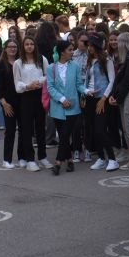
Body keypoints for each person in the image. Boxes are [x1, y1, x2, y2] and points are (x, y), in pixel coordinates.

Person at [46, 38, 83, 175]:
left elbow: (79, 84)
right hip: (57, 107)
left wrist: (86, 91)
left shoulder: (75, 66)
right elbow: (50, 87)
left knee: (65, 134)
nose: (73, 52)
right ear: (62, 52)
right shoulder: (51, 68)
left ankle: (58, 163)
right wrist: (61, 99)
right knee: (63, 136)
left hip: (73, 106)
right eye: (70, 50)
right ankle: (70, 160)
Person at [13, 36, 49, 171]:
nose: (29, 46)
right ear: (23, 46)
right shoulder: (18, 63)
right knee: (27, 129)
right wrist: (28, 86)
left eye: (31, 44)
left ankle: (43, 156)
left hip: (39, 95)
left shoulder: (42, 59)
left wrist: (38, 82)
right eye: (26, 44)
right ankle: (30, 159)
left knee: (41, 127)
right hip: (26, 96)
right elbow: (17, 83)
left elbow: (48, 76)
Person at [83, 36, 117, 171]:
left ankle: (112, 159)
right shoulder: (90, 60)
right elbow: (87, 79)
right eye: (88, 45)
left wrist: (104, 98)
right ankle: (101, 158)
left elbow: (112, 80)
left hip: (101, 98)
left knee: (100, 130)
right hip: (90, 97)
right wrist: (84, 93)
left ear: (97, 46)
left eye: (91, 45)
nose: (89, 48)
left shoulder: (106, 59)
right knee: (93, 130)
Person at [109, 35, 129, 170]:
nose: (116, 44)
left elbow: (127, 81)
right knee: (126, 129)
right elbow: (120, 80)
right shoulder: (127, 59)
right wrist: (114, 95)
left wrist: (116, 97)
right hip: (125, 95)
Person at [0, 39, 25, 169]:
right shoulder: (0, 65)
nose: (13, 49)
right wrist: (4, 104)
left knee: (23, 130)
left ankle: (22, 157)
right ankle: (6, 159)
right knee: (10, 130)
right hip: (8, 103)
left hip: (22, 101)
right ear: (5, 49)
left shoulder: (21, 63)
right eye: (10, 47)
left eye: (15, 47)